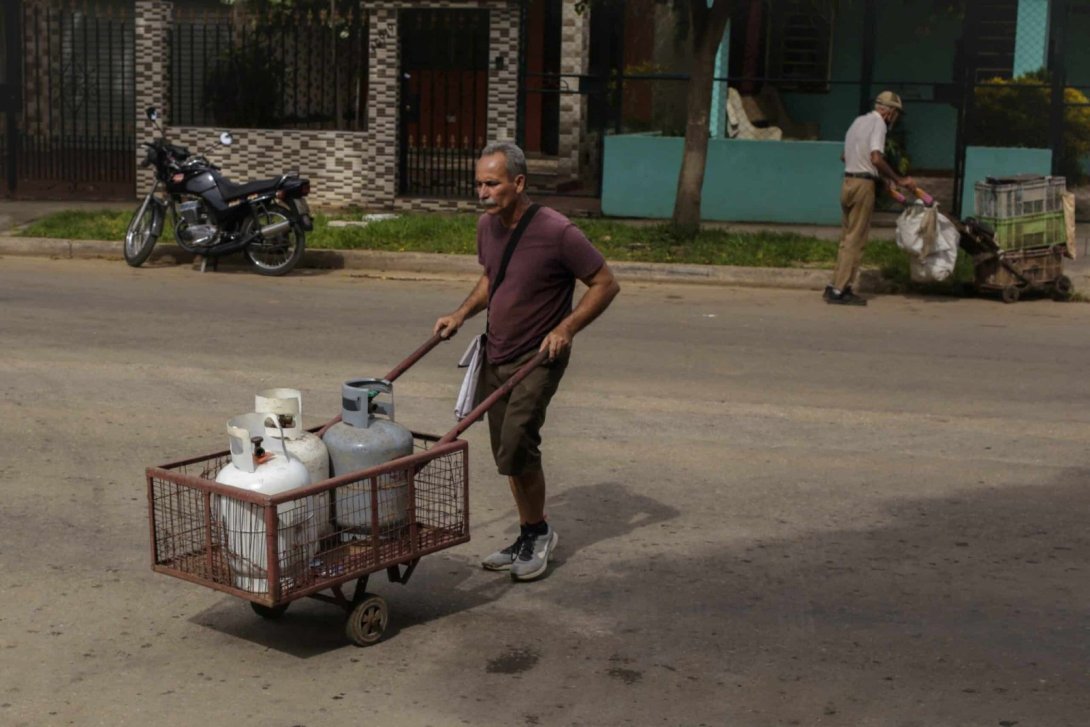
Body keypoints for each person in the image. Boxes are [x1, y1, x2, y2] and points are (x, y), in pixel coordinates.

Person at [433, 141, 620, 582]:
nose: (483, 192)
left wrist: (566, 328)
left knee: (518, 442)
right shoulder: (488, 225)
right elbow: (491, 278)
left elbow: (605, 283)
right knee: (506, 453)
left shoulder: (557, 231)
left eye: (492, 183)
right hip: (496, 351)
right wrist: (460, 314)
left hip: (538, 356)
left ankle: (538, 534)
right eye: (479, 183)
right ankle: (527, 532)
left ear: (518, 183)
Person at [826, 90, 917, 306]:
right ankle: (840, 290)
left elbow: (844, 156)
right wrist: (898, 179)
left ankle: (834, 285)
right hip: (862, 186)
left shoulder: (858, 121)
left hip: (848, 182)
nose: (895, 118)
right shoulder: (879, 125)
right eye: (896, 114)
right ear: (890, 112)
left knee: (846, 238)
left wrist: (879, 179)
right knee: (856, 239)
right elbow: (876, 158)